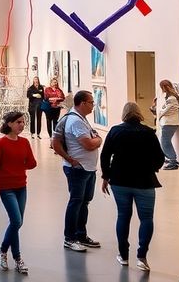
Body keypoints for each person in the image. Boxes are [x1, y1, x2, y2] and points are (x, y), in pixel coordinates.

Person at [100, 103, 165, 271]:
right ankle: (142, 257)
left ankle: (123, 255)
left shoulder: (115, 131)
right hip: (145, 182)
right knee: (146, 219)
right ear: (139, 114)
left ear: (124, 114)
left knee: (123, 216)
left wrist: (106, 176)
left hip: (120, 181)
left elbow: (105, 155)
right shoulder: (149, 133)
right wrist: (152, 168)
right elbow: (159, 157)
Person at [51, 90, 102, 252]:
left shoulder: (81, 119)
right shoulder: (75, 121)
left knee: (83, 202)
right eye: (91, 102)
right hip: (78, 169)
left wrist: (95, 140)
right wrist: (70, 159)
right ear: (82, 103)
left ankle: (81, 234)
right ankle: (70, 237)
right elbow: (89, 144)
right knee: (76, 202)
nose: (93, 105)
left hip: (87, 168)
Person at [0, 111, 37, 274]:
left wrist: (21, 165)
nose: (21, 125)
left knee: (15, 223)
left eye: (23, 122)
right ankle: (4, 251)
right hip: (6, 187)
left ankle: (16, 258)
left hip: (21, 186)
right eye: (18, 122)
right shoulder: (1, 143)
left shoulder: (24, 142)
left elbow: (32, 163)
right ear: (9, 124)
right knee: (16, 221)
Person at [151, 79, 179, 169]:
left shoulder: (171, 98)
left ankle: (172, 160)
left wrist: (157, 112)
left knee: (165, 142)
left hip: (169, 123)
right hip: (169, 123)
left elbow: (163, 111)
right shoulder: (170, 98)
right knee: (165, 142)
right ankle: (170, 158)